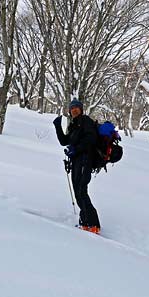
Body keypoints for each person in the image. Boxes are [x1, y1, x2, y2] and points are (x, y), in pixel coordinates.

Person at [53, 98, 101, 234]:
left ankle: (93, 224)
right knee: (77, 190)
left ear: (81, 109)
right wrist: (57, 126)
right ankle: (84, 222)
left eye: (76, 107)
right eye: (72, 108)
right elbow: (64, 141)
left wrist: (76, 149)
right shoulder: (73, 124)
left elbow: (91, 139)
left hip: (86, 160)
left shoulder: (86, 121)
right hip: (76, 161)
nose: (74, 110)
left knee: (81, 189)